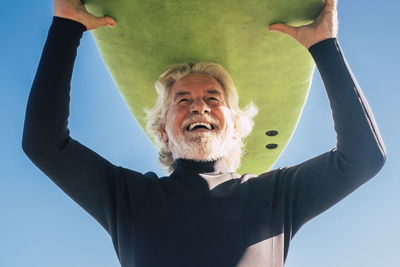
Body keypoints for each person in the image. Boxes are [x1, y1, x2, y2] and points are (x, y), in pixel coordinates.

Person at [22, 0, 386, 266]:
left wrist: (324, 45)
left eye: (214, 98)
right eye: (183, 100)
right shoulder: (129, 200)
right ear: (163, 130)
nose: (199, 106)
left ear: (236, 126)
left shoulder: (275, 197)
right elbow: (44, 143)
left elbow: (363, 156)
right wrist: (65, 27)